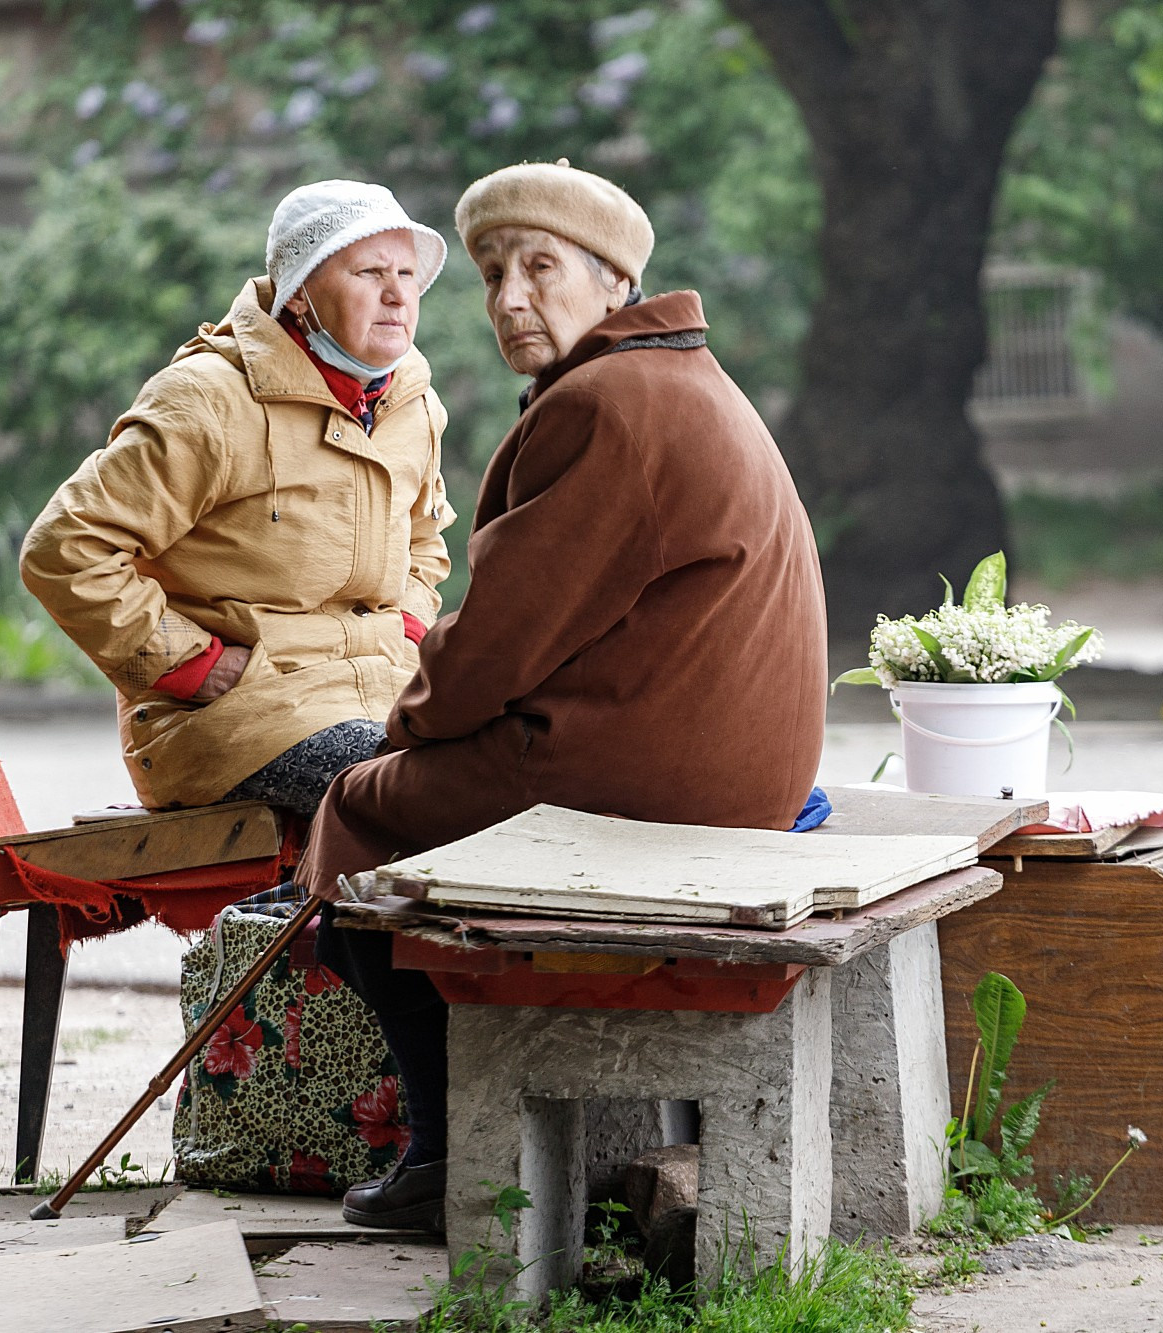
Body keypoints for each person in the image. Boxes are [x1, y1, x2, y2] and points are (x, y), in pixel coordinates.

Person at [297, 161, 829, 1231]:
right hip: (727, 765)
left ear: (614, 283)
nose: (509, 298)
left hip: (658, 778)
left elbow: (497, 642)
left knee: (354, 803)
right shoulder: (676, 379)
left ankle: (445, 1152)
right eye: (492, 273)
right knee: (395, 785)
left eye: (540, 268)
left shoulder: (604, 405)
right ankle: (467, 1129)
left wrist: (406, 731)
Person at [21, 181, 455, 821]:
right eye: (370, 273)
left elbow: (423, 540)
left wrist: (408, 631)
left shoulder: (413, 404)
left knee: (524, 760)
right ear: (300, 292)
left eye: (408, 274)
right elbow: (65, 550)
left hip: (383, 695)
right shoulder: (208, 400)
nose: (397, 295)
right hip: (238, 719)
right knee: (425, 795)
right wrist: (194, 665)